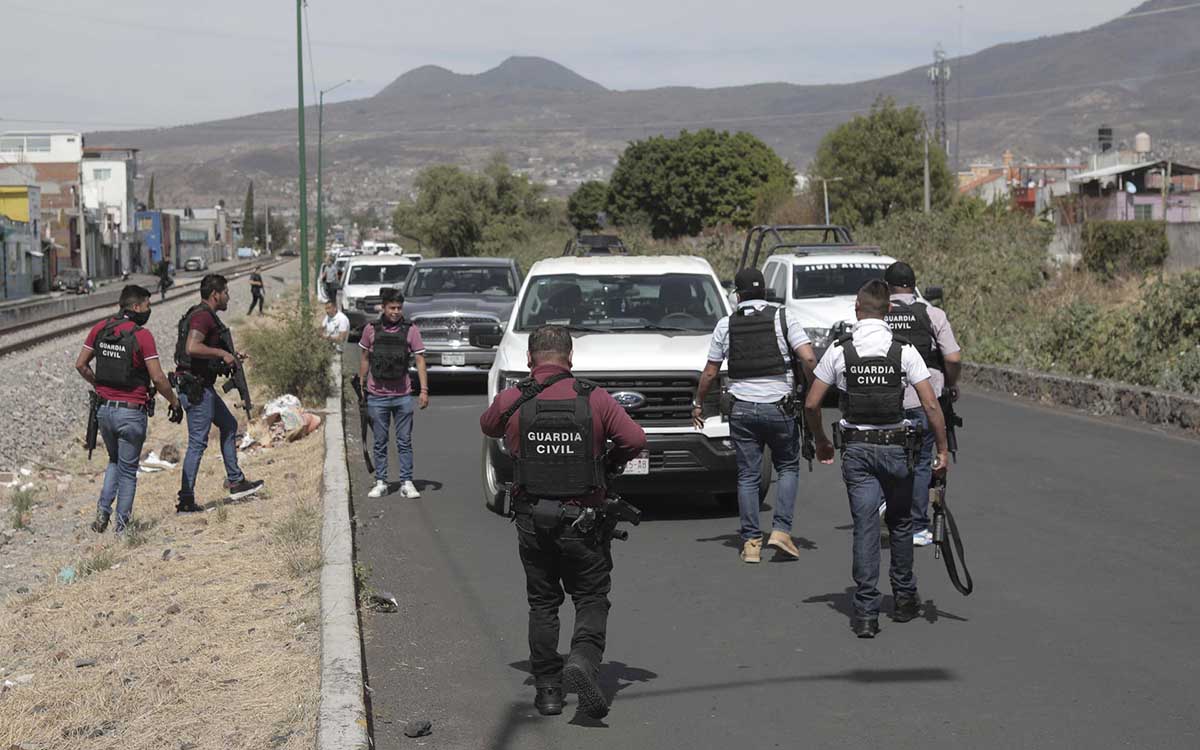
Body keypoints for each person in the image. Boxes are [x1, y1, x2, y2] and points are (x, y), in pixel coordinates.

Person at [479, 325, 647, 719]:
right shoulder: (595, 399)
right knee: (590, 597)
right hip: (583, 523)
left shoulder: (515, 398)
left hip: (532, 522)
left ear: (529, 360)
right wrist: (607, 461)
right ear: (569, 358)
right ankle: (582, 663)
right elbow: (636, 440)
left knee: (542, 604)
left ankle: (548, 692)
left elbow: (488, 426)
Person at [804, 280, 949, 639]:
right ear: (888, 311)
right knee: (900, 524)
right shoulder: (905, 350)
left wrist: (821, 440)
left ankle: (867, 613)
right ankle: (903, 599)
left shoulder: (840, 351)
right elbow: (930, 404)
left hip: (857, 451)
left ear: (857, 308)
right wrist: (943, 450)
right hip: (898, 449)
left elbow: (811, 403)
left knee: (866, 526)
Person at [693, 268, 817, 563]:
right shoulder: (783, 317)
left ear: (737, 295)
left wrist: (698, 402)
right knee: (787, 467)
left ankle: (751, 543)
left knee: (748, 475)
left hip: (742, 409)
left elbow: (711, 371)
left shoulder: (726, 324)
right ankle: (781, 532)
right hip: (780, 407)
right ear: (764, 293)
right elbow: (809, 358)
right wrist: (815, 391)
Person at [74, 285, 183, 534]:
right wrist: (174, 402)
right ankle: (122, 529)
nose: (148, 310)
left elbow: (81, 364)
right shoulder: (142, 336)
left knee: (115, 461)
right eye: (146, 305)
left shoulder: (100, 329)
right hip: (131, 412)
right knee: (128, 471)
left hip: (104, 411)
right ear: (135, 307)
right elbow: (157, 378)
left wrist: (99, 385)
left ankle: (103, 512)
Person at [883, 261, 962, 546]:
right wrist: (951, 385)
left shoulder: (878, 315)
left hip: (884, 400)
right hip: (924, 398)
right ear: (913, 285)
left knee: (888, 459)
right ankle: (916, 526)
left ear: (887, 287)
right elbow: (952, 358)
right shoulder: (932, 313)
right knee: (920, 461)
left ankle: (886, 513)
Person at [173, 274, 264, 512]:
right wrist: (222, 354)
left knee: (229, 425)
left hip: (202, 386)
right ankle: (186, 499)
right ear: (215, 294)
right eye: (226, 292)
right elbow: (192, 348)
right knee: (197, 443)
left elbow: (205, 354)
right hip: (195, 389)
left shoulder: (202, 314)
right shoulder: (203, 316)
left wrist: (230, 357)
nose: (228, 297)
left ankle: (235, 480)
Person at [358, 287, 429, 499]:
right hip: (376, 395)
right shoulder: (371, 329)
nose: (396, 312)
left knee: (404, 441)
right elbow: (364, 358)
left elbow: (420, 360)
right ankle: (381, 481)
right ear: (383, 307)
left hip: (403, 395)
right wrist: (361, 385)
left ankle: (407, 482)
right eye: (392, 308)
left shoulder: (411, 330)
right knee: (379, 441)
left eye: (399, 308)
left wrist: (424, 390)